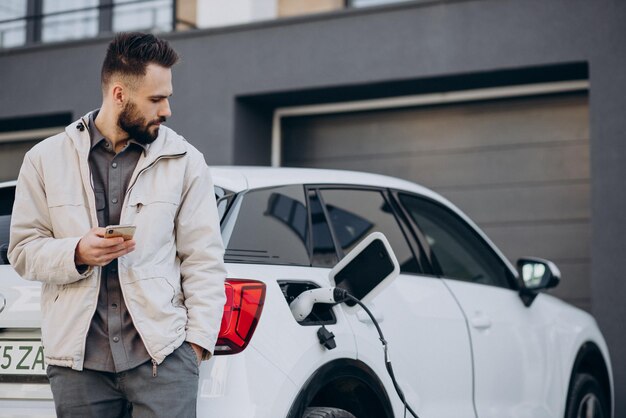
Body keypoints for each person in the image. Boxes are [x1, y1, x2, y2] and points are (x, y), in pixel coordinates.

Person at [8, 32, 227, 417]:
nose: (168, 110)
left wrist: (194, 347)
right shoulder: (44, 160)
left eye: (168, 97)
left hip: (163, 358)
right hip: (79, 367)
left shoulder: (186, 161)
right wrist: (76, 252)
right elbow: (23, 251)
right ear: (119, 94)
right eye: (157, 99)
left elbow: (204, 261)